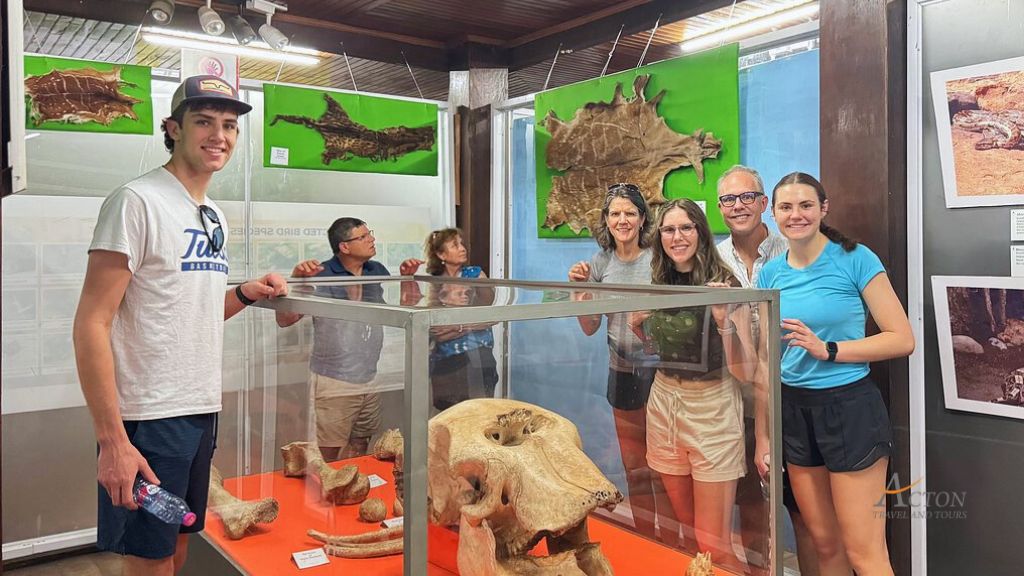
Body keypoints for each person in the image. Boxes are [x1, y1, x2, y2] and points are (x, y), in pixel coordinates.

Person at [73, 75, 288, 576]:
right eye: (204, 122)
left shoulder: (212, 214)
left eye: (229, 125)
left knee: (178, 544)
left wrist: (244, 293)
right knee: (149, 558)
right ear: (173, 129)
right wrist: (113, 441)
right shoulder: (136, 201)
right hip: (149, 418)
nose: (219, 135)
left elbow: (190, 310)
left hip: (199, 409)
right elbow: (91, 323)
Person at [756, 172, 914, 576]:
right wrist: (763, 436)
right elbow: (765, 359)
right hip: (794, 410)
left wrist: (829, 349)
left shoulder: (856, 258)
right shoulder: (770, 274)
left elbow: (901, 339)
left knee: (865, 553)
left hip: (849, 408)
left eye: (806, 205)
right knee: (825, 545)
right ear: (774, 214)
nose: (796, 214)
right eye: (786, 207)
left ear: (823, 209)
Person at [633, 198, 757, 570]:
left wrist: (723, 322)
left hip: (712, 406)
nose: (677, 237)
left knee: (713, 543)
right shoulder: (658, 280)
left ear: (701, 232)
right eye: (669, 229)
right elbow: (658, 351)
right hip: (664, 400)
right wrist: (639, 330)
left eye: (686, 227)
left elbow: (746, 370)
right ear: (659, 237)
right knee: (686, 532)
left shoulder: (725, 281)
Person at [715, 165, 817, 575]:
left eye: (747, 197)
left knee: (803, 506)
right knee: (750, 504)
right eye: (728, 199)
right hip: (735, 399)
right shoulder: (713, 258)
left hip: (791, 392)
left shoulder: (791, 250)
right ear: (720, 208)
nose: (738, 206)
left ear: (763, 204)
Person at [566, 183, 678, 547]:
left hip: (661, 372)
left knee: (665, 466)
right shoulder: (599, 263)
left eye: (630, 213)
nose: (622, 220)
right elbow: (589, 326)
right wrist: (579, 293)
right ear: (606, 219)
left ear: (643, 218)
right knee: (635, 467)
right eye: (615, 213)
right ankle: (647, 542)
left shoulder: (657, 258)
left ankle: (671, 544)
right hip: (622, 371)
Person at [276, 218, 390, 461]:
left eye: (369, 233)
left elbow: (398, 308)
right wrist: (299, 280)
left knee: (361, 443)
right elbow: (286, 319)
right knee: (330, 450)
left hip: (370, 376)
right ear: (344, 246)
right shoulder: (322, 273)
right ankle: (326, 485)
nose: (371, 239)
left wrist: (409, 278)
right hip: (335, 379)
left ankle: (354, 481)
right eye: (363, 236)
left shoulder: (376, 270)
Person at [400, 228, 498, 410]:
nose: (462, 248)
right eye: (455, 245)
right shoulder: (434, 281)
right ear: (441, 254)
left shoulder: (475, 275)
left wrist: (458, 327)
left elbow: (490, 315)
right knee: (448, 412)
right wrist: (463, 325)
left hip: (477, 357)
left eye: (462, 244)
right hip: (444, 360)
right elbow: (434, 328)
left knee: (479, 410)